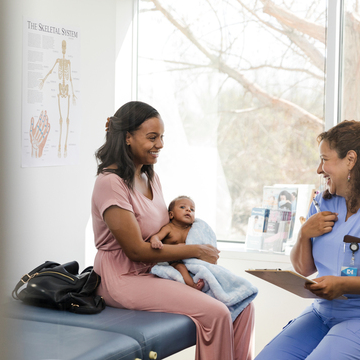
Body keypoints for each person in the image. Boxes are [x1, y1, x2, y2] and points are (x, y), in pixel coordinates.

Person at [91, 101, 255, 360]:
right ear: (128, 138)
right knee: (217, 313)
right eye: (152, 137)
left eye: (162, 137)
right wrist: (197, 251)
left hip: (158, 269)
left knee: (243, 303)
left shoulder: (150, 177)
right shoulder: (110, 184)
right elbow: (135, 250)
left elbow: (163, 231)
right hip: (123, 278)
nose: (160, 145)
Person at [255, 120, 360, 360]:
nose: (319, 169)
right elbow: (304, 268)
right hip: (323, 314)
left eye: (324, 159)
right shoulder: (325, 202)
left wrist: (344, 284)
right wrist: (304, 234)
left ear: (350, 160)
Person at [149, 196, 205, 290]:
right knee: (180, 267)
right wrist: (155, 240)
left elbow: (200, 241)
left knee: (201, 267)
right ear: (171, 215)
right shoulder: (169, 228)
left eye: (192, 209)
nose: (188, 210)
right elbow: (157, 236)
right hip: (172, 261)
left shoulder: (192, 229)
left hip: (188, 259)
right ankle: (193, 285)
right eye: (183, 207)